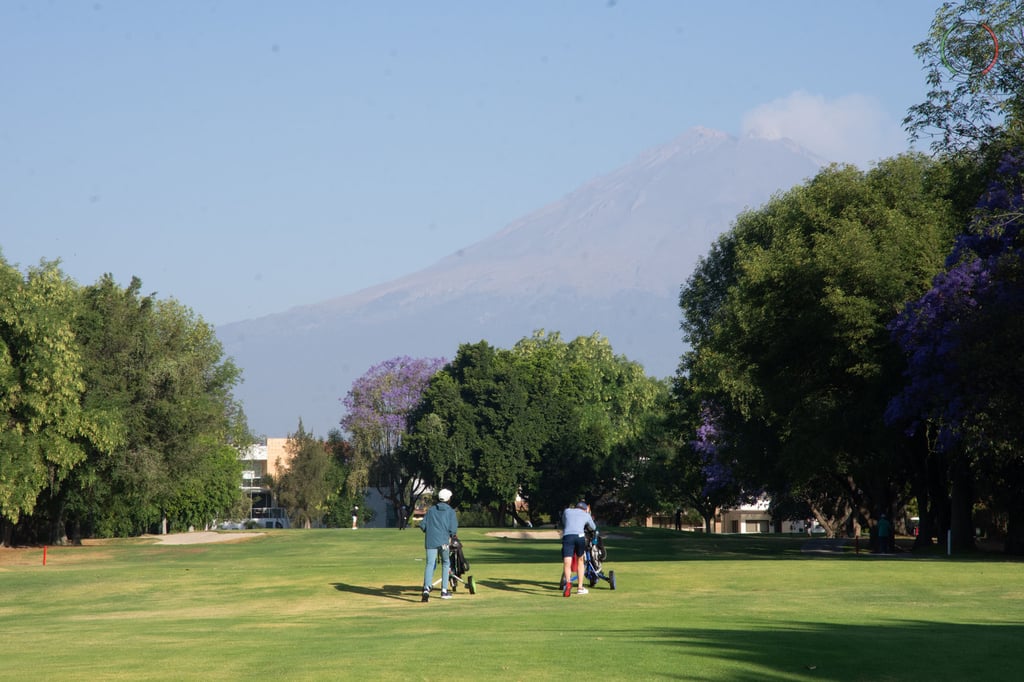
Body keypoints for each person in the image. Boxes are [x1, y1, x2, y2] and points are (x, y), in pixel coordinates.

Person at [421, 488, 458, 602]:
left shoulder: (431, 510)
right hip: (443, 542)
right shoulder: (450, 511)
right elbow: (453, 529)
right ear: (448, 499)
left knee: (430, 564)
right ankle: (444, 591)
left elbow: (423, 525)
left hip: (431, 541)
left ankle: (426, 589)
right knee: (446, 563)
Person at [561, 501, 596, 597]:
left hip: (567, 536)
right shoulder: (586, 514)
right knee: (580, 560)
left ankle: (568, 583)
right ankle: (580, 587)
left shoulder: (567, 511)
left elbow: (564, 522)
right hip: (579, 537)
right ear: (585, 509)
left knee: (567, 561)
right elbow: (593, 527)